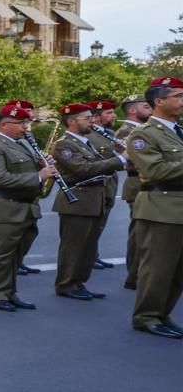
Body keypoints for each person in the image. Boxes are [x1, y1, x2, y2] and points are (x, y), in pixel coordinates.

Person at [0, 102, 56, 311]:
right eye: (20, 123)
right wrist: (38, 176)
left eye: (25, 123)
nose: (25, 127)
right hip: (4, 208)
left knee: (15, 255)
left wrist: (42, 165)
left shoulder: (22, 143)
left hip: (26, 207)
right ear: (4, 125)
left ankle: (9, 292)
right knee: (1, 255)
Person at [125, 77, 183, 339]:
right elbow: (155, 170)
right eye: (178, 96)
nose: (182, 101)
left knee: (178, 269)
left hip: (178, 208)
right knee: (158, 268)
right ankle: (146, 316)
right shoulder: (142, 134)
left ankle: (162, 313)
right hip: (161, 207)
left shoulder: (178, 130)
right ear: (159, 101)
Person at [49, 103, 124, 301]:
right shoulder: (64, 144)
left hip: (93, 198)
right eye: (87, 118)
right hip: (77, 200)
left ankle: (79, 282)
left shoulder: (85, 141)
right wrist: (120, 159)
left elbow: (99, 165)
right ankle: (65, 284)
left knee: (88, 246)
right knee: (73, 246)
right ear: (72, 121)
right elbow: (84, 169)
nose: (92, 121)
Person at [116, 94, 153, 289]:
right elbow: (130, 158)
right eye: (146, 106)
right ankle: (134, 275)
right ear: (132, 110)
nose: (151, 109)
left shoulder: (145, 129)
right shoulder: (126, 131)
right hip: (138, 184)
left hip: (147, 184)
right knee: (140, 233)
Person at [85, 100, 121, 270]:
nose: (114, 116)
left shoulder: (110, 133)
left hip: (110, 180)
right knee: (92, 223)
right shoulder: (88, 134)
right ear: (96, 117)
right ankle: (88, 257)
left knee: (101, 222)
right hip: (98, 180)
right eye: (109, 113)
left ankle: (93, 255)